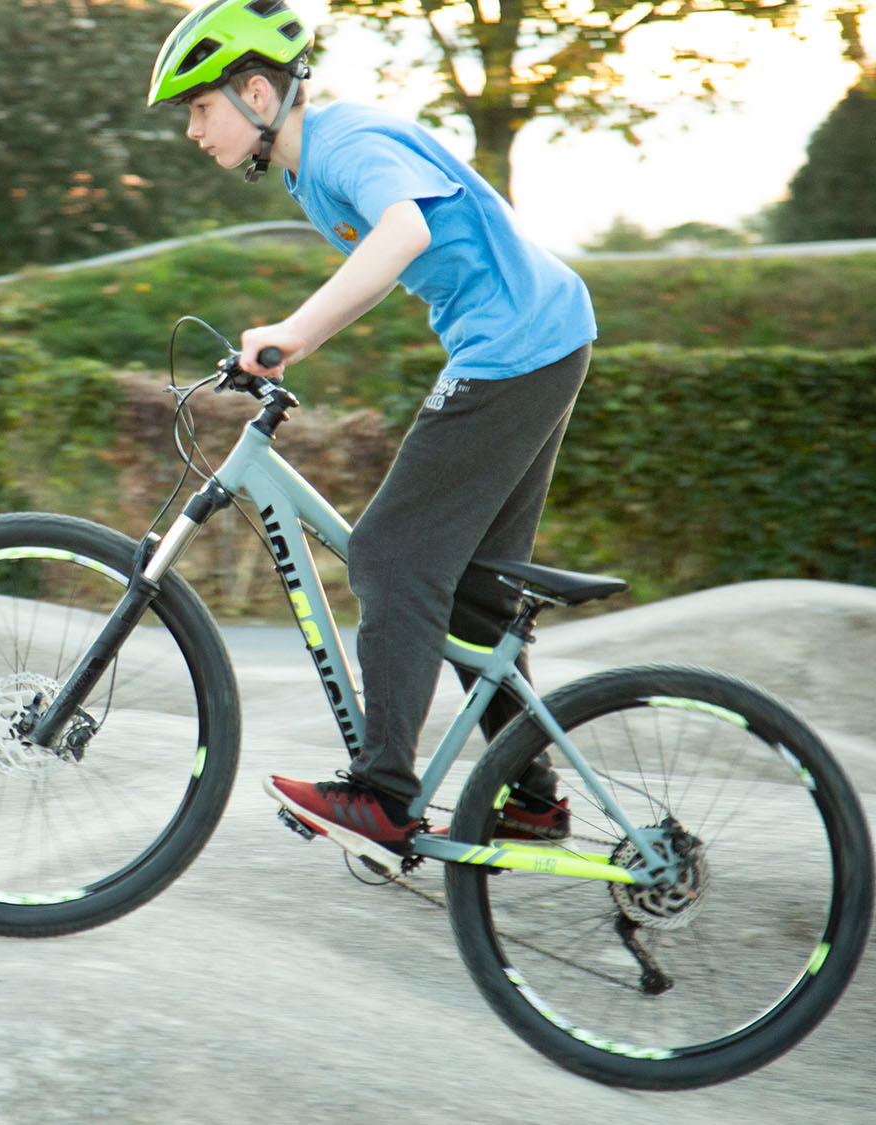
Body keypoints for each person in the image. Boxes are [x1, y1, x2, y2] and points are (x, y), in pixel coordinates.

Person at [148, 0, 596, 865]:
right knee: (475, 591)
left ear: (255, 93)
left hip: (514, 346)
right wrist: (293, 344)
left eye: (200, 108)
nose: (194, 131)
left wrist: (294, 331)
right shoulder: (306, 171)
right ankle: (533, 800)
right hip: (539, 336)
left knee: (391, 555)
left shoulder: (342, 143)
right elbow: (391, 262)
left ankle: (384, 793)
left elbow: (404, 231)